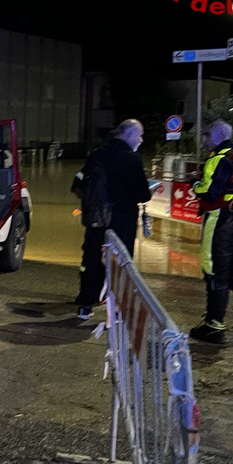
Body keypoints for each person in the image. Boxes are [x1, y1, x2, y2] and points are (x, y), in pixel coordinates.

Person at [187, 119, 233, 344]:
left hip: (221, 220)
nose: (203, 140)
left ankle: (213, 326)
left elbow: (209, 193)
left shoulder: (217, 159)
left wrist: (194, 183)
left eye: (205, 135)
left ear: (214, 135)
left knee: (214, 270)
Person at [70, 119, 151, 320]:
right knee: (121, 265)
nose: (141, 140)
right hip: (121, 223)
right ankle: (117, 312)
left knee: (91, 261)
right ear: (130, 135)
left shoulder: (96, 155)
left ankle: (85, 305)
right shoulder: (131, 159)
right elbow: (143, 195)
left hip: (96, 221)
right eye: (139, 136)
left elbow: (77, 183)